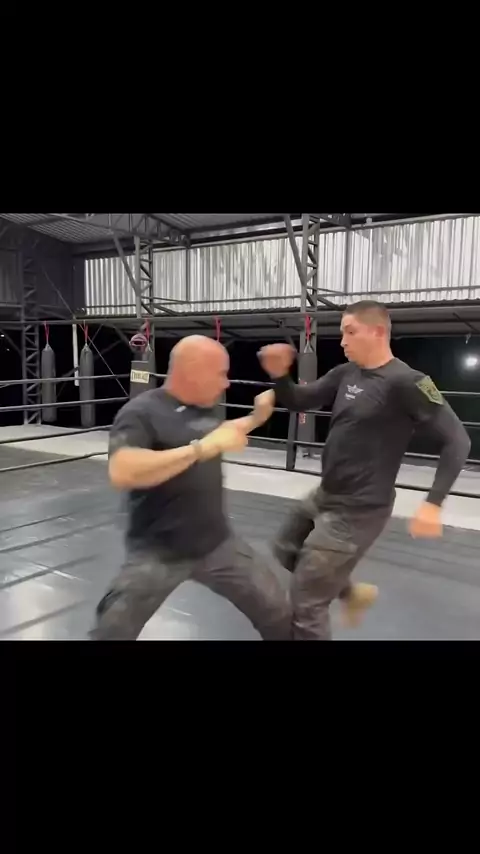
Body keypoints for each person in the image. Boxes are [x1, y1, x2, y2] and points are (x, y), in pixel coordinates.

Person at [259, 300, 471, 641]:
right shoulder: (346, 373)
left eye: (350, 332)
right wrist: (280, 375)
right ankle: (352, 593)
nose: (343, 340)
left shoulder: (408, 382)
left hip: (359, 510)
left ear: (377, 332)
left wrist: (433, 503)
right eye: (343, 332)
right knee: (285, 547)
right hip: (326, 494)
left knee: (307, 600)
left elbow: (457, 440)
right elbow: (300, 400)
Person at [90, 335, 291, 641]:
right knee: (112, 631)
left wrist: (256, 417)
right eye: (221, 374)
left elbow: (219, 433)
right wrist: (200, 450)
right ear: (193, 371)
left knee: (279, 612)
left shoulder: (205, 406)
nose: (226, 383)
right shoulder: (140, 412)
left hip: (218, 544)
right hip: (158, 551)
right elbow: (122, 470)